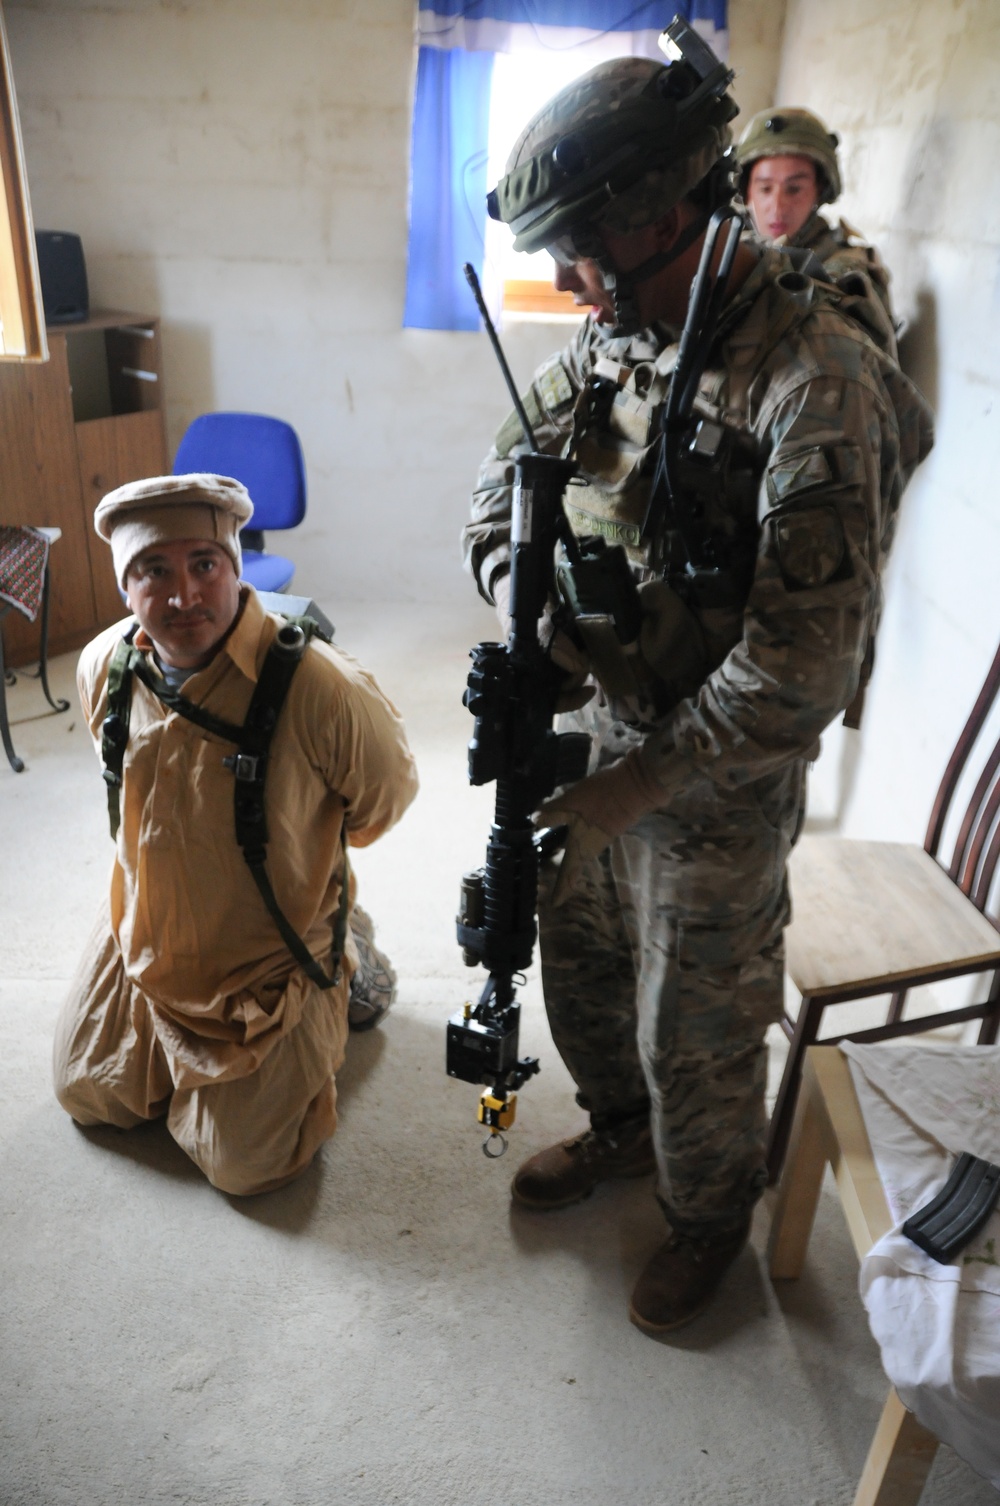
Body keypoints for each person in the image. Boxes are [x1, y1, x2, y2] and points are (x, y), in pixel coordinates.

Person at [464, 41, 933, 1334]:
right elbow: (499, 479)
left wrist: (641, 784)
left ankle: (705, 1211)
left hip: (722, 773)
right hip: (614, 717)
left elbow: (800, 664)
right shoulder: (625, 336)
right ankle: (622, 1131)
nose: (566, 282)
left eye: (581, 248)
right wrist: (528, 586)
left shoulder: (816, 376)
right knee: (587, 964)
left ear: (663, 217)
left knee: (699, 1018)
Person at [54, 473, 418, 1195]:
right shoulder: (106, 667)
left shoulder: (322, 687)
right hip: (150, 931)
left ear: (235, 568)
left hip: (266, 950)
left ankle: (346, 956)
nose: (184, 595)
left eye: (204, 565)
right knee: (89, 1095)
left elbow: (381, 802)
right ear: (126, 588)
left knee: (243, 1165)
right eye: (153, 571)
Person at [736, 106, 897, 351]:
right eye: (765, 189)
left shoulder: (849, 269)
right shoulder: (731, 249)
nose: (777, 206)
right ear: (746, 191)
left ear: (819, 190)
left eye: (794, 189)